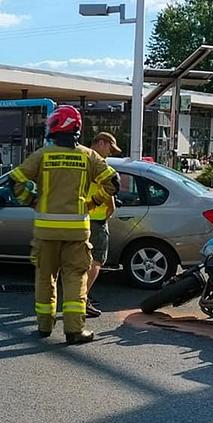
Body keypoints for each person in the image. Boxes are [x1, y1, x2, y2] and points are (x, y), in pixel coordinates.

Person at [9, 105, 119, 344]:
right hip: (77, 231)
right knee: (75, 279)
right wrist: (91, 203)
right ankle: (74, 330)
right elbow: (113, 182)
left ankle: (44, 326)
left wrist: (32, 201)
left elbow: (15, 181)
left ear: (54, 128)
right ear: (77, 129)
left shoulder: (42, 155)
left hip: (46, 230)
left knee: (44, 278)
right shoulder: (89, 156)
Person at [85, 132, 122, 318]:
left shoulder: (82, 161)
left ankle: (76, 297)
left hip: (79, 218)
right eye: (110, 148)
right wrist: (107, 215)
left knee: (78, 263)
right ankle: (81, 299)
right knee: (96, 261)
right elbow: (110, 197)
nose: (110, 153)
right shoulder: (100, 165)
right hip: (96, 221)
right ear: (100, 143)